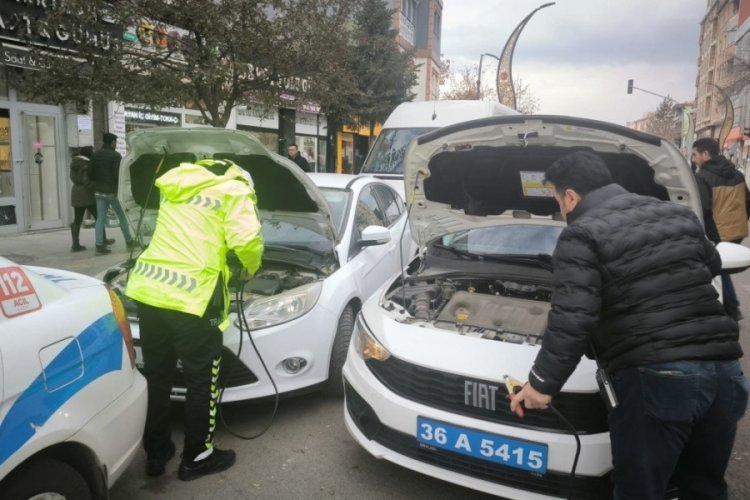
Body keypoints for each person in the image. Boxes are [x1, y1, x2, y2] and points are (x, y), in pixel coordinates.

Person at [509, 151, 747, 500]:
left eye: (558, 200)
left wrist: (541, 385)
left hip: (658, 381)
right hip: (726, 373)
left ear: (571, 197)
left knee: (640, 491)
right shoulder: (679, 215)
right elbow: (709, 266)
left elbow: (574, 317)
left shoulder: (581, 234)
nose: (562, 210)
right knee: (704, 487)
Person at [125, 158, 263, 482]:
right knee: (202, 380)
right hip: (193, 298)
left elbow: (187, 233)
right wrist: (251, 266)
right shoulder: (235, 190)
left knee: (157, 376)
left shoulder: (177, 183)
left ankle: (157, 454)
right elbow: (247, 240)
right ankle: (198, 457)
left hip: (149, 290)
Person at [692, 137, 750, 321]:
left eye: (695, 155)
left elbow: (704, 209)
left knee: (717, 267)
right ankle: (731, 308)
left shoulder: (702, 177)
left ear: (706, 154)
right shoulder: (737, 174)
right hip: (737, 231)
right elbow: (747, 202)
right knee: (723, 267)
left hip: (717, 232)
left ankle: (731, 309)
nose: (693, 159)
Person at [89, 132, 137, 255]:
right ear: (112, 143)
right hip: (112, 192)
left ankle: (99, 246)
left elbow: (90, 173)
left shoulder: (95, 155)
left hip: (98, 192)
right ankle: (129, 242)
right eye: (115, 142)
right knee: (122, 216)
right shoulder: (115, 156)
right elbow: (118, 175)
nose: (115, 144)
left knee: (100, 218)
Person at [69, 145, 113, 251]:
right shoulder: (86, 164)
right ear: (88, 154)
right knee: (99, 217)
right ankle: (103, 239)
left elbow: (74, 178)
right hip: (87, 195)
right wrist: (96, 187)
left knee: (78, 220)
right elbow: (87, 181)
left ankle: (75, 245)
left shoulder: (74, 163)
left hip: (76, 193)